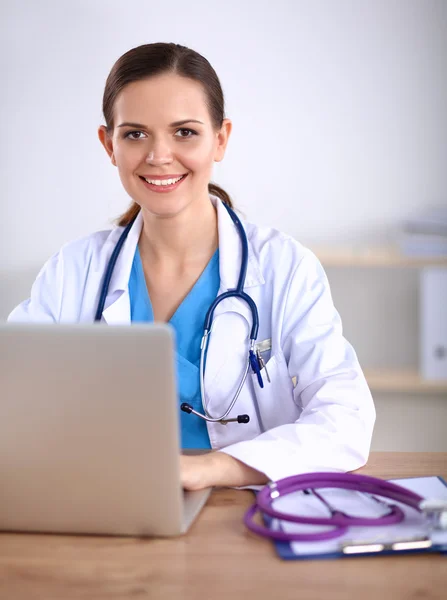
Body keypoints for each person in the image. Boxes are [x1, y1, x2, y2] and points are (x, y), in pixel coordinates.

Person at [8, 42, 375, 491]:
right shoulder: (74, 271)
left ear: (220, 139)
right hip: (107, 505)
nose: (159, 156)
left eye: (184, 132)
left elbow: (346, 418)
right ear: (109, 145)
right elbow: (15, 401)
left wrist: (207, 471)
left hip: (246, 511)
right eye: (135, 134)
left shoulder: (283, 267)